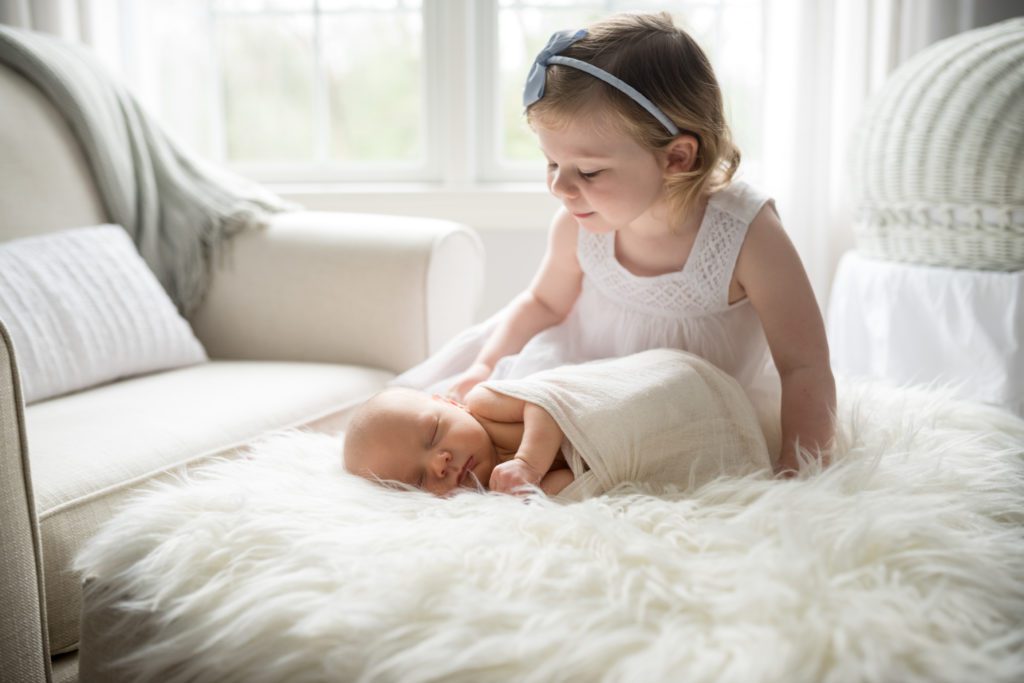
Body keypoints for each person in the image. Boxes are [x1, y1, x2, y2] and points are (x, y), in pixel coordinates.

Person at [393, 12, 835, 474]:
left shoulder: (747, 235)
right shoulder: (579, 222)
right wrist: (485, 366)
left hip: (679, 406)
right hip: (579, 374)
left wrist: (800, 467)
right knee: (481, 417)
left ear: (676, 157)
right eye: (550, 164)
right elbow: (543, 302)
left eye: (587, 172)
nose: (560, 188)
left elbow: (804, 363)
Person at [345, 349, 771, 500]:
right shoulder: (495, 491)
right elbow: (584, 479)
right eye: (420, 479)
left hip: (667, 382)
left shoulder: (485, 405)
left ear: (447, 402)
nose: (439, 462)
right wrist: (530, 490)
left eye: (433, 434)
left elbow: (547, 406)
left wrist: (529, 464)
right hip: (648, 443)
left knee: (670, 387)